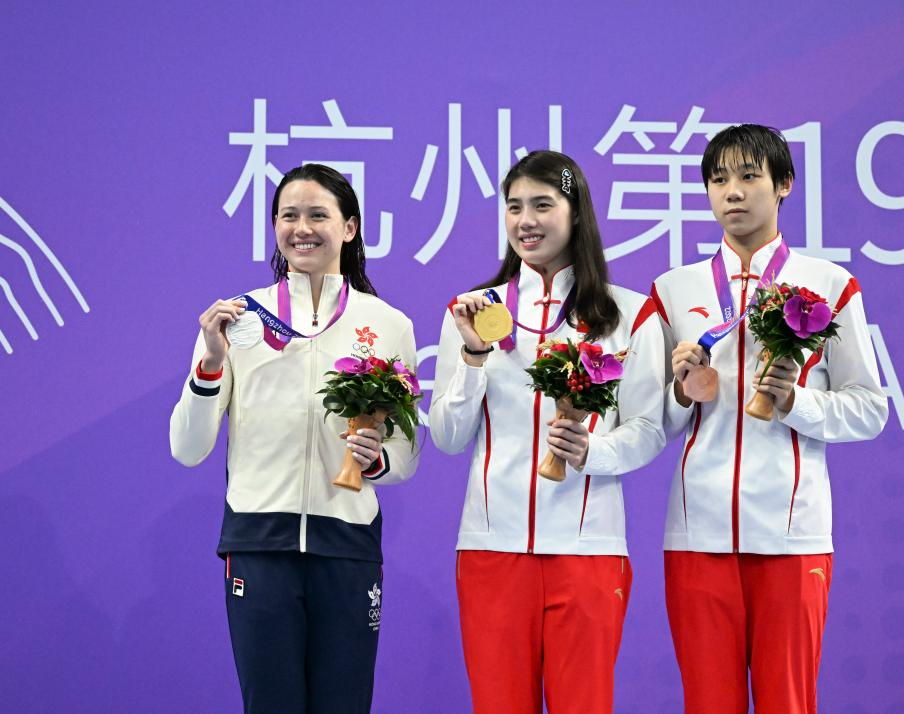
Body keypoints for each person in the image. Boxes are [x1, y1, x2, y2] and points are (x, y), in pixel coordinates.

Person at [651, 125, 888, 713]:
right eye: (718, 179)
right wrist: (680, 391)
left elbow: (869, 408)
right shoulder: (673, 291)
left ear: (784, 184)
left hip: (791, 534)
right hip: (698, 533)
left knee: (788, 702)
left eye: (749, 176)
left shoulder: (829, 285)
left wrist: (795, 402)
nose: (732, 192)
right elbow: (653, 424)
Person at [170, 163, 419, 714]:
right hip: (259, 545)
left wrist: (376, 461)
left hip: (347, 546)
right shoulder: (236, 320)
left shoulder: (389, 324)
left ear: (349, 228)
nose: (301, 228)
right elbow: (187, 448)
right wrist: (210, 362)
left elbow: (405, 456)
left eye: (317, 215)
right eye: (288, 215)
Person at [429, 150, 666, 713]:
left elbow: (648, 429)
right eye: (514, 207)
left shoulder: (629, 314)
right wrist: (473, 356)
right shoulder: (470, 312)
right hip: (491, 550)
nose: (525, 221)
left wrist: (592, 451)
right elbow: (447, 436)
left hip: (588, 552)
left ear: (575, 212)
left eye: (542, 204)